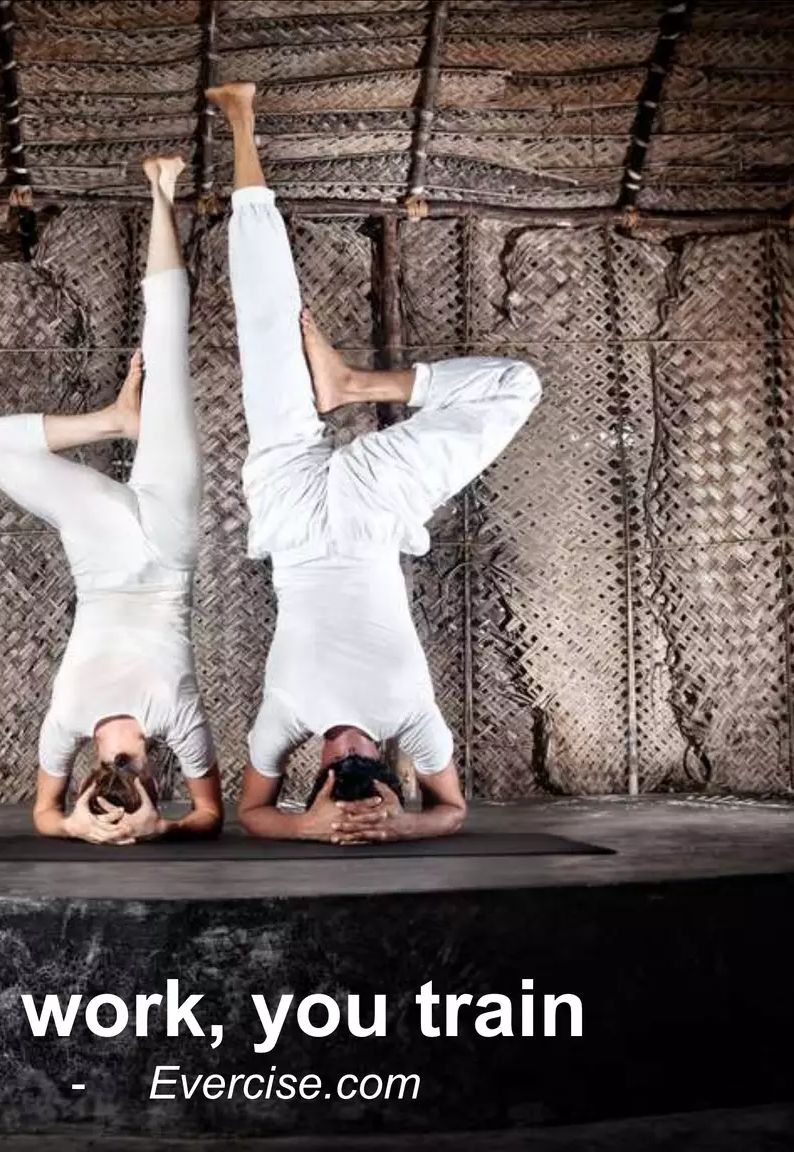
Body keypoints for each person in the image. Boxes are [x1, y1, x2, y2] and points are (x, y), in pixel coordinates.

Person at [204, 81, 542, 845]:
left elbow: (251, 814)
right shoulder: (414, 721)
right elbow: (453, 811)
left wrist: (310, 827)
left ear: (317, 771)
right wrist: (402, 827)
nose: (349, 756)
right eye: (368, 768)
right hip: (371, 512)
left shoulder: (284, 722)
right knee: (516, 386)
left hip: (290, 512)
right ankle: (353, 384)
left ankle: (241, 120)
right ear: (391, 770)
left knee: (267, 327)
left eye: (336, 771)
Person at [0, 156, 222, 845]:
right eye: (130, 796)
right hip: (169, 547)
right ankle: (162, 190)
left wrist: (76, 828)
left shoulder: (66, 726)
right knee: (166, 346)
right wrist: (161, 830)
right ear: (153, 783)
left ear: (87, 781)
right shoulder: (177, 726)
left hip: (103, 555)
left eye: (103, 797)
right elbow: (211, 816)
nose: (119, 789)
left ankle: (113, 420)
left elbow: (41, 815)